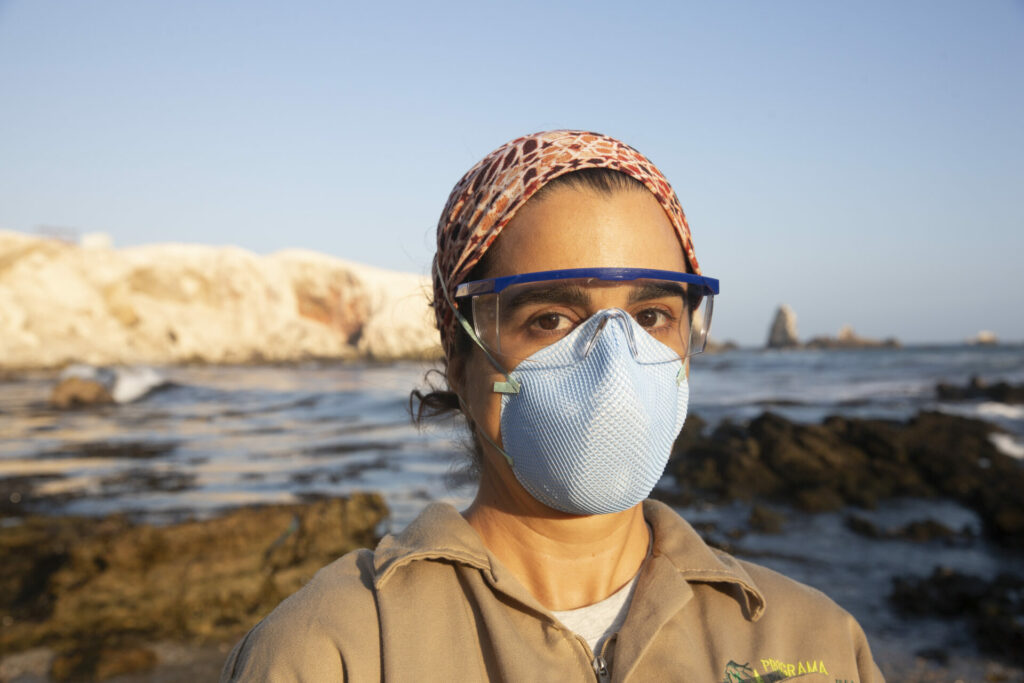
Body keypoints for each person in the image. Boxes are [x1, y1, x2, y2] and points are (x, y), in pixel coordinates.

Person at [221, 130, 883, 682]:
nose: (614, 358)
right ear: (461, 355)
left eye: (651, 314)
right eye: (551, 318)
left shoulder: (815, 642)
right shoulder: (336, 651)